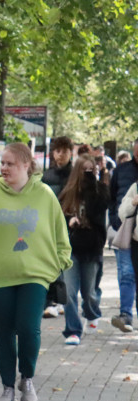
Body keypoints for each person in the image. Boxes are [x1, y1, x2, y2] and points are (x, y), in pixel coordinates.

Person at [0, 143, 71, 401]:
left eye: (10, 163)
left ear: (26, 165)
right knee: (4, 329)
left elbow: (60, 235)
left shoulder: (45, 195)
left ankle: (28, 378)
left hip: (35, 274)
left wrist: (58, 264)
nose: (4, 168)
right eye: (2, 163)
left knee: (29, 327)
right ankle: (7, 386)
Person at [58, 154, 110, 345]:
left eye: (92, 169)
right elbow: (57, 217)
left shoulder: (100, 190)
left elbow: (100, 208)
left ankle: (92, 312)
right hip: (71, 246)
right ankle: (72, 330)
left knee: (88, 293)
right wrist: (69, 220)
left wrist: (93, 184)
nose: (88, 173)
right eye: (84, 170)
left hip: (92, 247)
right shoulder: (68, 191)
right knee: (70, 291)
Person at [41, 135, 73, 319]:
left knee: (65, 262)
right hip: (50, 224)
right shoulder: (47, 175)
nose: (61, 155)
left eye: (65, 151)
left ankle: (62, 298)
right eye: (58, 151)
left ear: (71, 152)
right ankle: (54, 300)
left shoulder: (75, 175)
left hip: (70, 225)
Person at [109, 139, 138, 333]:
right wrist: (116, 221)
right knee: (127, 274)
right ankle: (126, 315)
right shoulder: (122, 170)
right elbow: (113, 199)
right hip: (128, 231)